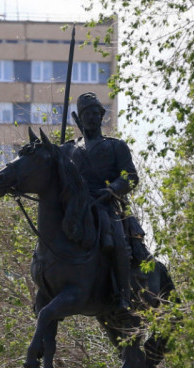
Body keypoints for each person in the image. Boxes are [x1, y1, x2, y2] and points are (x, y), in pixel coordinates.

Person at [63, 92, 139, 312]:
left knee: (117, 239)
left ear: (102, 117)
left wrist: (112, 189)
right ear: (80, 118)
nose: (93, 118)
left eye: (97, 113)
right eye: (88, 114)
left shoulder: (115, 146)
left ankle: (123, 295)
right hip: (77, 209)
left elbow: (130, 176)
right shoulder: (68, 149)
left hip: (106, 205)